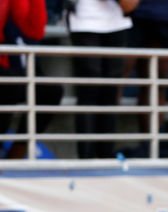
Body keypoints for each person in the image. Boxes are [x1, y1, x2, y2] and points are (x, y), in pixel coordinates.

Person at [66, 0, 138, 159]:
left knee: (110, 92)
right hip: (84, 20)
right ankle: (86, 158)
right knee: (89, 89)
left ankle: (105, 156)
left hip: (117, 21)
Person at [0, 0, 63, 159]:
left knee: (51, 91)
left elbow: (34, 31)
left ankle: (17, 152)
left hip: (14, 63)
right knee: (10, 84)